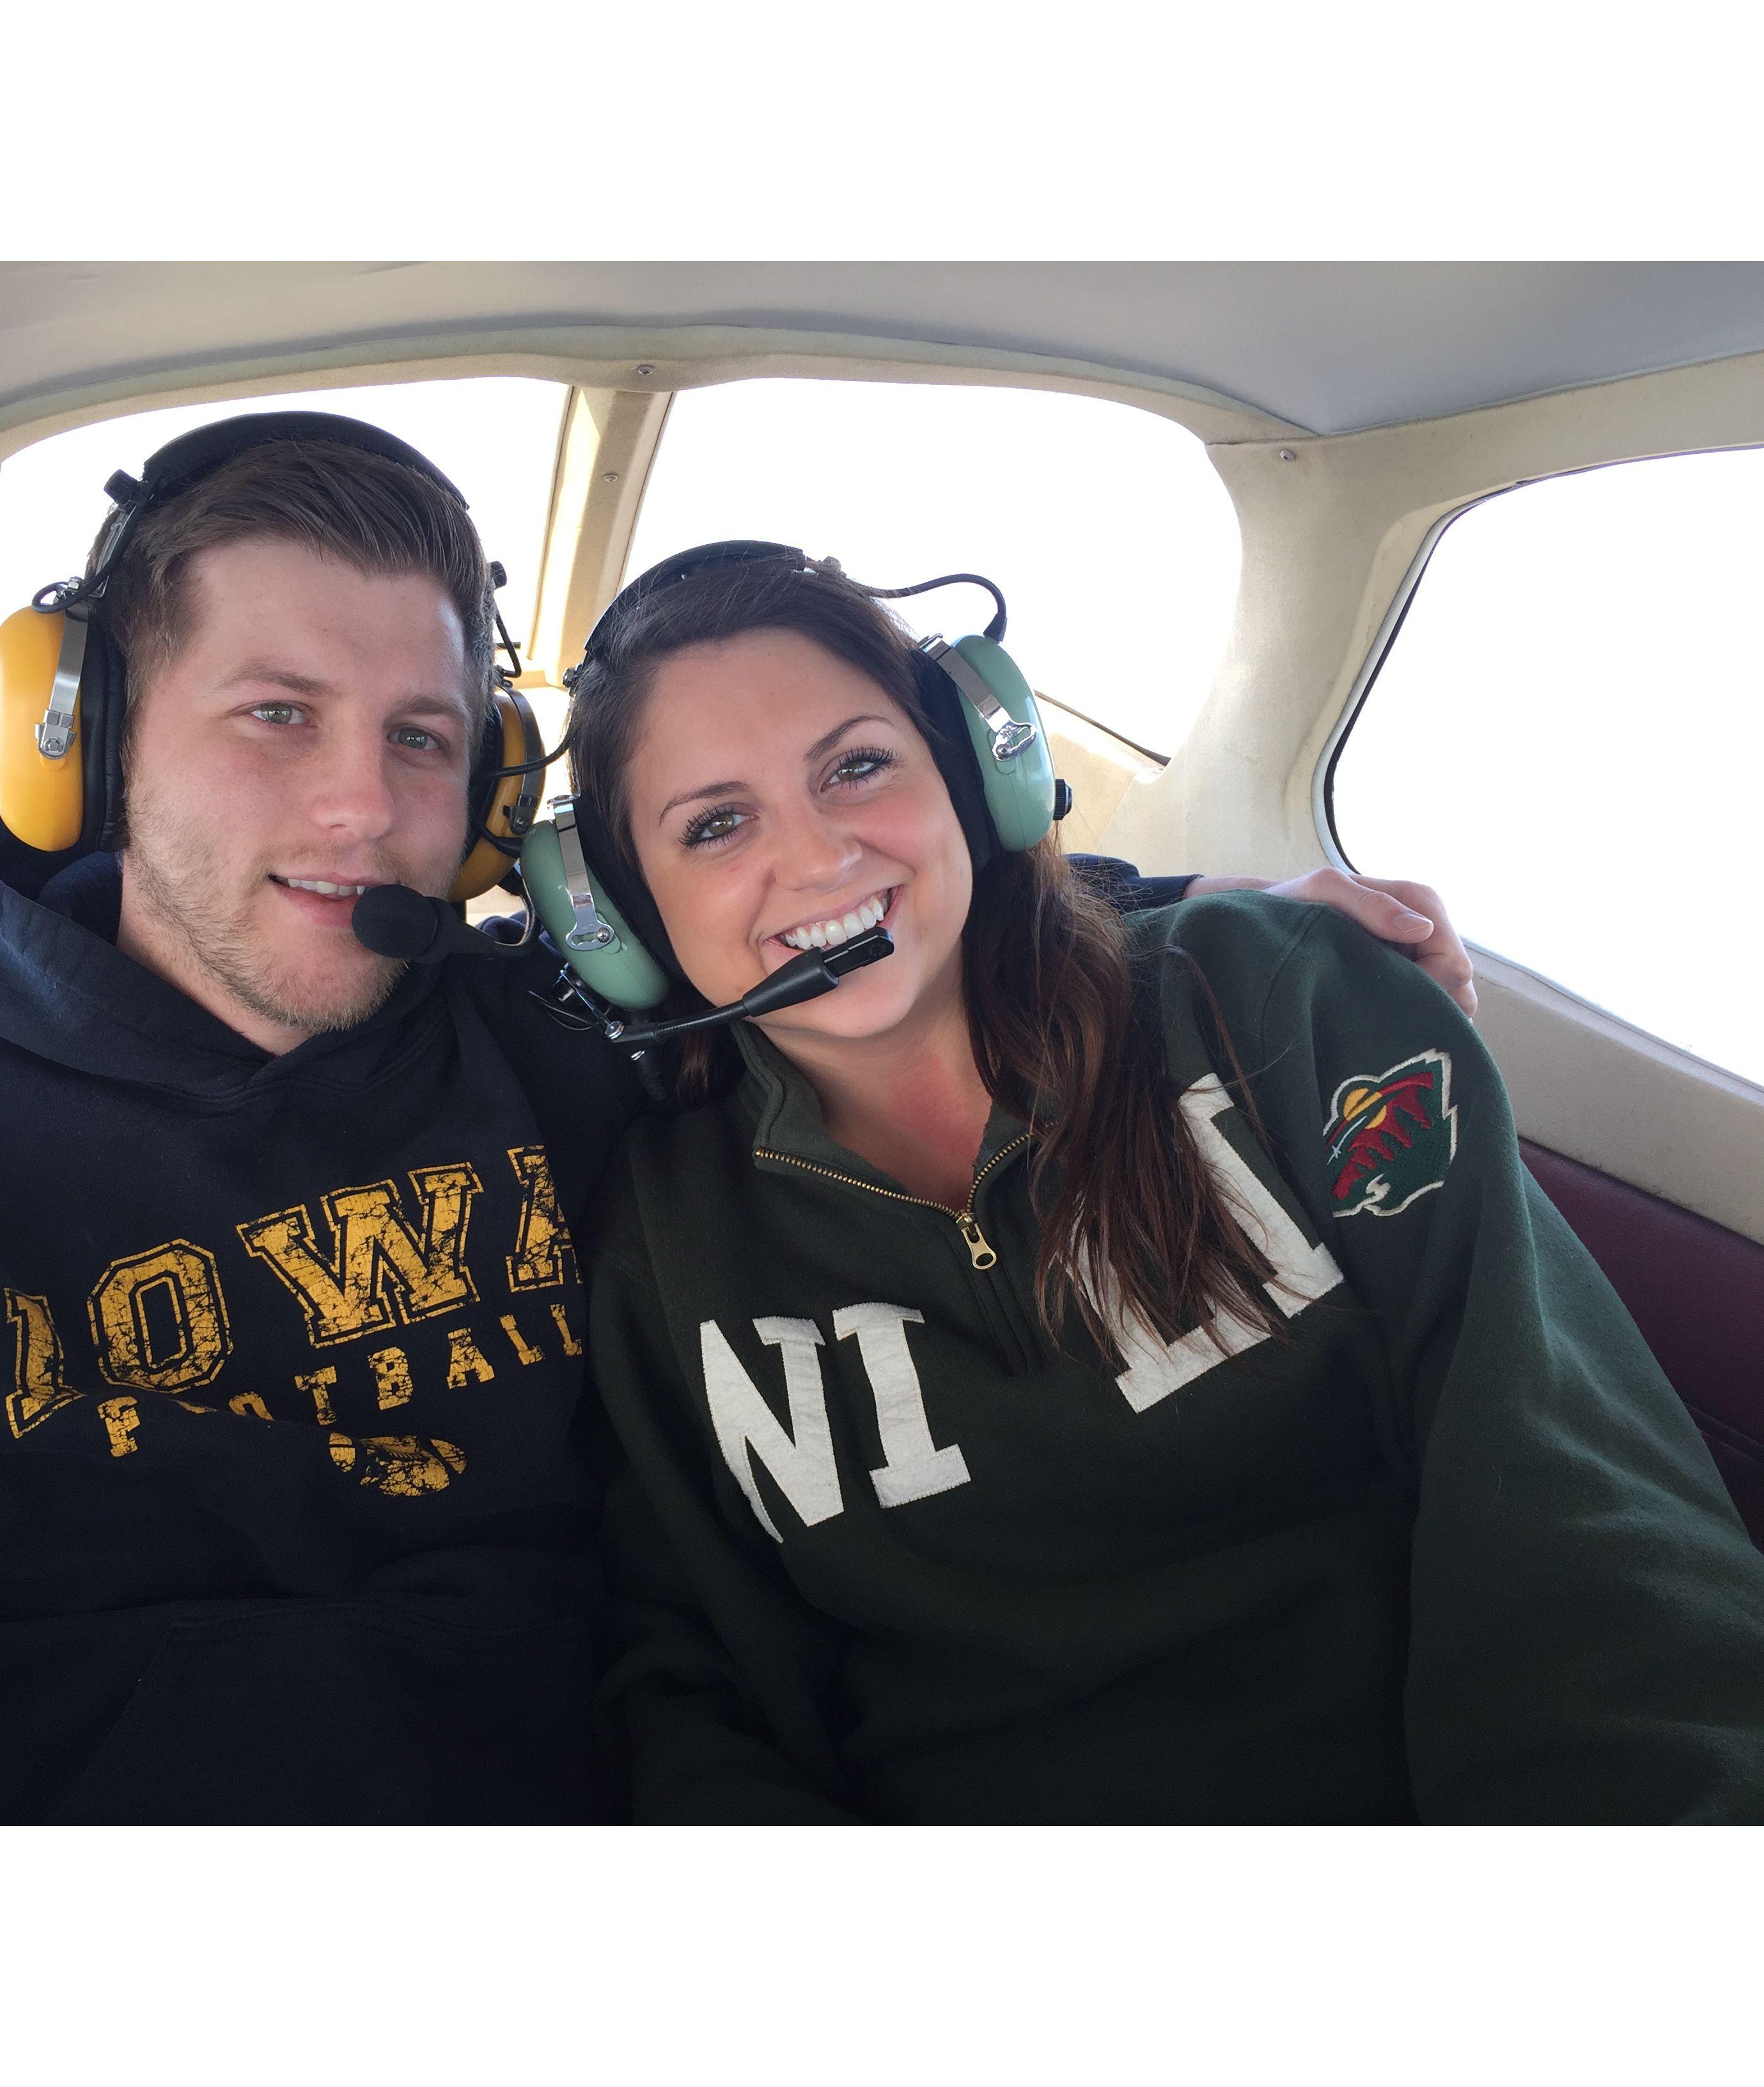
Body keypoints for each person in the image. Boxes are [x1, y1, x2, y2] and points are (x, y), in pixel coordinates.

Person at [0, 414, 1475, 1824]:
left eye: (420, 738)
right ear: (86, 742)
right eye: (276, 716)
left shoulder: (550, 1040)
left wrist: (1219, 921)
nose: (361, 811)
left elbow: (839, 931)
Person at [564, 545, 1764, 1824]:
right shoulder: (660, 1241)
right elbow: (698, 1691)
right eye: (716, 824)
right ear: (625, 918)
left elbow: (1572, 1499)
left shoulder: (1275, 1000)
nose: (817, 857)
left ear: (971, 774)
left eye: (856, 766)